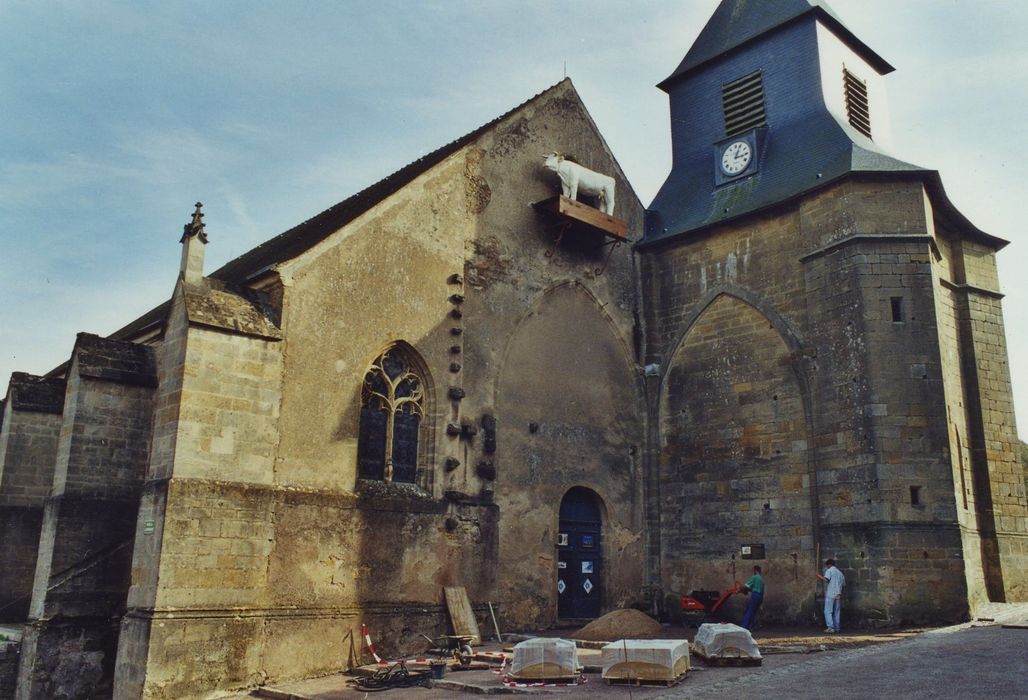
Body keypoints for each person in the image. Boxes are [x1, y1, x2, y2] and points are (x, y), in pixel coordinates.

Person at [816, 558, 846, 633]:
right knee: (837, 611)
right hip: (838, 594)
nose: (827, 567)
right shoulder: (840, 573)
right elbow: (844, 584)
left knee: (828, 611)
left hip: (831, 594)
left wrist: (818, 576)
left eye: (827, 566)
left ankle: (830, 627)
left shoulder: (829, 571)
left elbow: (826, 580)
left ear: (829, 565)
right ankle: (837, 628)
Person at [739, 565, 764, 631]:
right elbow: (755, 588)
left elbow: (746, 586)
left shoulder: (754, 577)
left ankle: (744, 627)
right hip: (760, 596)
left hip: (755, 595)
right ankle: (751, 627)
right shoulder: (761, 579)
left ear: (755, 570)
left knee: (749, 611)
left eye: (753, 570)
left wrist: (739, 590)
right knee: (753, 612)